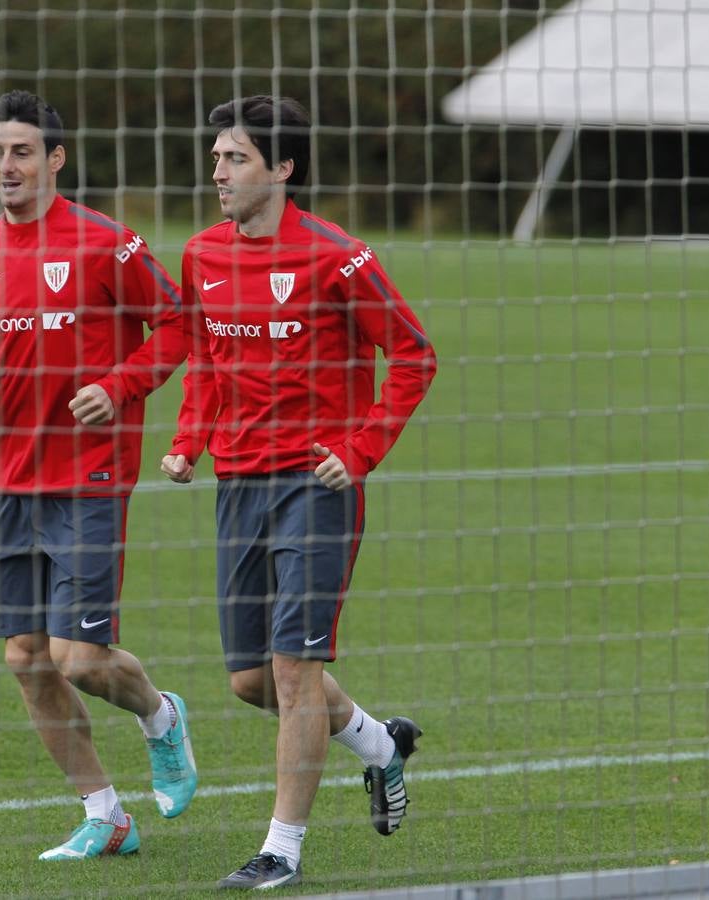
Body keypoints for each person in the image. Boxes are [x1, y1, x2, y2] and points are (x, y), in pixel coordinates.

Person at [0, 89, 196, 861]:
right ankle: (105, 814)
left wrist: (119, 386)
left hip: (90, 476)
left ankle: (161, 717)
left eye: (22, 151)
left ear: (55, 159)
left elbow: (177, 326)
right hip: (12, 482)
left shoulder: (105, 244)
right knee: (26, 658)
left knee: (81, 660)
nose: (7, 166)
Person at [160, 95, 437, 890]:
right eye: (216, 158)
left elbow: (414, 355)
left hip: (315, 488)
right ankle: (381, 746)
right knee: (253, 680)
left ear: (283, 169)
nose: (219, 172)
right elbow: (209, 362)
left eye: (236, 158)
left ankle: (281, 849)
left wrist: (361, 451)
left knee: (293, 669)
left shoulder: (337, 257)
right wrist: (187, 444)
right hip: (237, 484)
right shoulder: (203, 256)